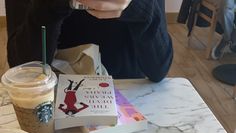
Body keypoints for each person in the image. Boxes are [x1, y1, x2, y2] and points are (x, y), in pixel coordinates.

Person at [5, 0, 173, 82]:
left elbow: (158, 68)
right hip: (50, 101)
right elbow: (23, 69)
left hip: (127, 100)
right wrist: (51, 5)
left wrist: (140, 6)